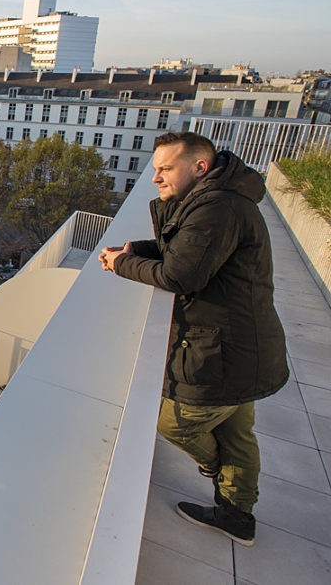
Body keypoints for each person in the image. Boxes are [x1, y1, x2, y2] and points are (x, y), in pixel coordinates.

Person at [99, 131, 288, 547]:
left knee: (175, 422)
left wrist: (122, 263)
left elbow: (180, 275)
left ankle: (222, 480)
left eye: (166, 169)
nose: (156, 179)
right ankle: (237, 515)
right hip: (245, 346)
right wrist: (146, 248)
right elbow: (188, 250)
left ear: (199, 167)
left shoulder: (217, 208)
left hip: (222, 350)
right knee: (238, 433)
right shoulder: (220, 200)